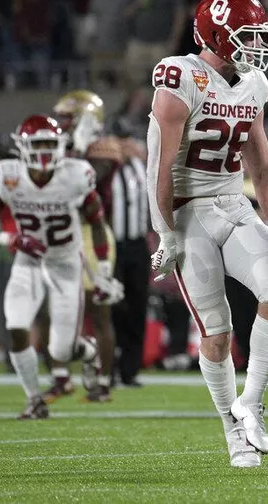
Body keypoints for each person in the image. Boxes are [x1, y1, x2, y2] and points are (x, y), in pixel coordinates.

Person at [147, 0, 268, 468]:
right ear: (216, 33)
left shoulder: (252, 84)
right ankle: (234, 433)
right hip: (188, 210)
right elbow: (162, 167)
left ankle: (250, 403)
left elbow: (265, 168)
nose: (255, 45)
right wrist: (165, 232)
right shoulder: (180, 75)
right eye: (247, 35)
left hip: (233, 202)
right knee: (217, 329)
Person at [0, 115, 122, 419]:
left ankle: (86, 353)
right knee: (16, 326)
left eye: (50, 143)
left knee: (61, 351)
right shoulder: (8, 175)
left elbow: (97, 223)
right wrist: (12, 238)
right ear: (22, 147)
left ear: (61, 145)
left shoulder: (76, 174)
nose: (45, 150)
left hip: (66, 263)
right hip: (29, 261)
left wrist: (102, 273)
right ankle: (35, 399)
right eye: (38, 144)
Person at [49, 89, 123, 403]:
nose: (62, 122)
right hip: (61, 232)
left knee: (99, 310)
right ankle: (60, 378)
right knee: (56, 308)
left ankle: (103, 383)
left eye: (67, 117)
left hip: (92, 233)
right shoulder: (61, 146)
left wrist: (77, 150)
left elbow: (82, 187)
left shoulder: (104, 148)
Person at [110, 132, 150, 387]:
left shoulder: (140, 166)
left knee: (137, 307)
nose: (127, 147)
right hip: (113, 246)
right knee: (114, 308)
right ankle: (109, 367)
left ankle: (130, 369)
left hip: (137, 245)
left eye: (130, 141)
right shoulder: (106, 171)